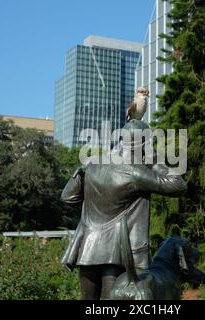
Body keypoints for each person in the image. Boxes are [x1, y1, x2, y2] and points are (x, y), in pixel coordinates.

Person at [61, 120, 187, 300]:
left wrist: (82, 178)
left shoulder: (91, 165)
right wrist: (154, 160)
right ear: (145, 143)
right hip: (116, 251)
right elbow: (178, 185)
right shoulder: (134, 173)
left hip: (87, 249)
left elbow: (67, 198)